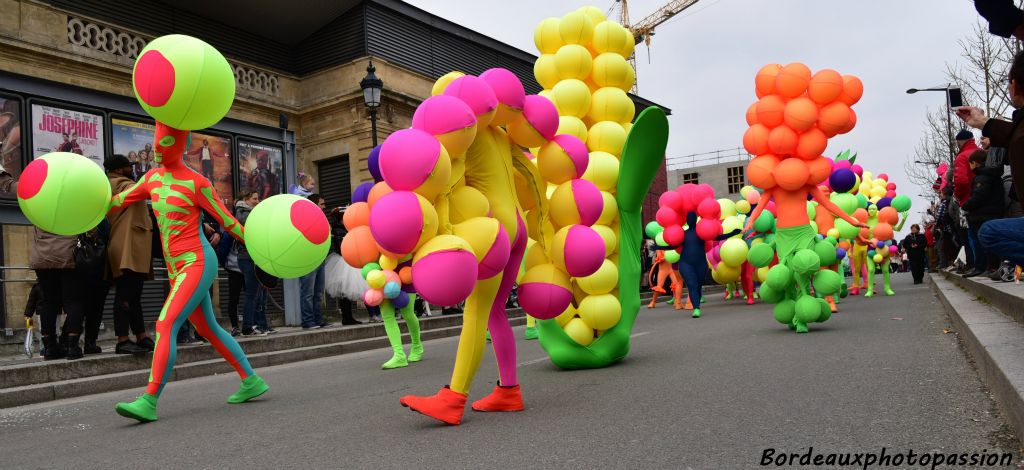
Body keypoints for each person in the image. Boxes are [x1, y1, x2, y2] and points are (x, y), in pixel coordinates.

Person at [111, 123, 266, 423]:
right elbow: (117, 202)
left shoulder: (197, 183)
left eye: (164, 144)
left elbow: (227, 221)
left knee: (165, 324)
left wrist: (262, 248)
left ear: (180, 146)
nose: (157, 150)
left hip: (197, 262)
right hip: (175, 268)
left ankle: (149, 400)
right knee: (208, 328)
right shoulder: (151, 179)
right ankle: (251, 380)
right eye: (156, 145)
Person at [956, 49, 1024, 275]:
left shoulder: (977, 166)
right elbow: (1014, 132)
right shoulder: (1017, 129)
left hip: (989, 208)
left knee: (988, 233)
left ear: (1014, 85)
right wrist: (983, 122)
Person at [105, 155, 155, 354]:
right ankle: (122, 339)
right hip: (126, 247)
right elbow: (143, 190)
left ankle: (141, 336)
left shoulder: (123, 183)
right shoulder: (118, 184)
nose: (131, 169)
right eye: (128, 166)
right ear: (118, 170)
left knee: (134, 295)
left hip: (134, 247)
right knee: (125, 296)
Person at [30, 227, 86, 360]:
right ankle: (72, 347)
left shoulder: (39, 208)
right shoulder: (71, 209)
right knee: (73, 300)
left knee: (49, 301)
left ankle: (49, 348)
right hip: (67, 255)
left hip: (42, 257)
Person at [960, 150, 1005, 277]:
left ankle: (984, 267)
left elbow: (979, 196)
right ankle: (987, 267)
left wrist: (965, 205)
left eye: (970, 163)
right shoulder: (988, 175)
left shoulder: (982, 177)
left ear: (974, 163)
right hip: (988, 213)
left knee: (980, 242)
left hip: (983, 215)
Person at [235, 189, 270, 336]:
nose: (257, 201)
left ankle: (251, 326)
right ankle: (247, 327)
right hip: (248, 257)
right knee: (251, 294)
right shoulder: (244, 214)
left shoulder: (246, 212)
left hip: (250, 257)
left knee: (254, 294)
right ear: (246, 199)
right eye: (255, 199)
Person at [299, 194, 330, 329]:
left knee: (318, 293)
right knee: (307, 293)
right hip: (307, 259)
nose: (324, 207)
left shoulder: (322, 218)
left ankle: (318, 318)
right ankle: (307, 320)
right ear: (314, 204)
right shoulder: (305, 219)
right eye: (321, 204)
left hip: (319, 258)